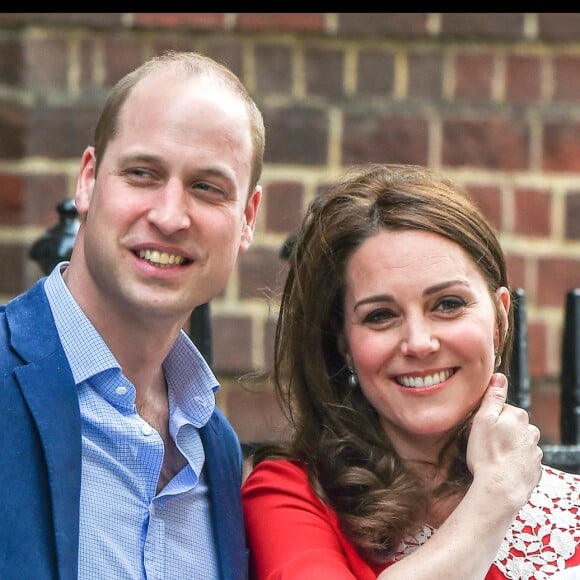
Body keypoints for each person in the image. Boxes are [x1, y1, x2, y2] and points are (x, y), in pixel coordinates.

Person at [242, 163, 580, 579]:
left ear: (500, 318)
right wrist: (495, 497)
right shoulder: (292, 496)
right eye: (381, 315)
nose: (419, 343)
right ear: (345, 344)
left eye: (448, 304)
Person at [0, 50, 264, 580]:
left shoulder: (218, 451)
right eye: (143, 173)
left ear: (247, 220)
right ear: (89, 181)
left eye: (206, 187)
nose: (169, 216)